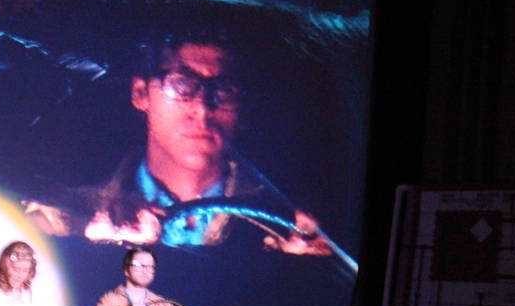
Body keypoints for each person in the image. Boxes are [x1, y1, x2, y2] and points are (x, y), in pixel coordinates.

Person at [25, 32, 334, 256]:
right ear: (141, 93)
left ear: (243, 109)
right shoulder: (66, 214)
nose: (202, 108)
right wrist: (100, 238)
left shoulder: (283, 223)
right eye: (182, 84)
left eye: (223, 91)